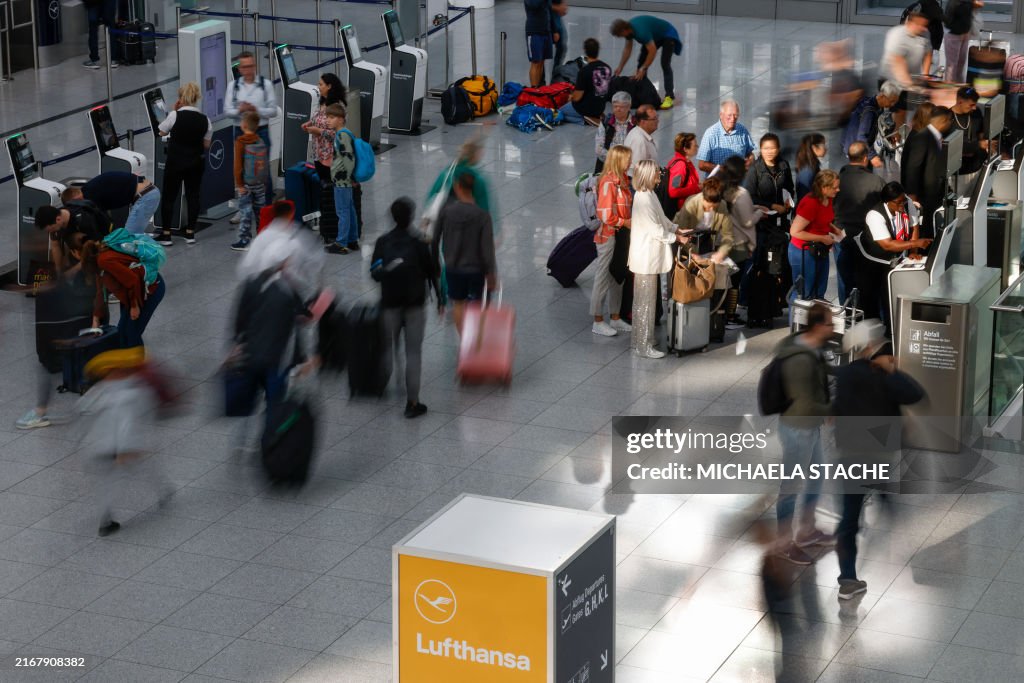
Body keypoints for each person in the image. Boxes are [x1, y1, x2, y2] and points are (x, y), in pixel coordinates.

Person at [833, 321, 924, 598]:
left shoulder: (845, 375)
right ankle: (903, 544)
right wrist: (893, 371)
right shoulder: (881, 374)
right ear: (871, 347)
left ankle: (847, 578)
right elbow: (916, 394)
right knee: (886, 496)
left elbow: (837, 409)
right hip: (876, 457)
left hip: (849, 458)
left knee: (848, 520)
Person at [79, 347, 172, 537]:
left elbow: (84, 414)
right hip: (119, 446)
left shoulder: (101, 391)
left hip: (102, 445)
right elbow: (128, 422)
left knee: (110, 481)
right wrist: (124, 449)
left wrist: (82, 443)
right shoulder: (133, 392)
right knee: (140, 469)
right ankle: (163, 490)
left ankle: (106, 520)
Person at [772, 301, 835, 565]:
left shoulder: (810, 346)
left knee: (817, 475)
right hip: (798, 428)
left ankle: (807, 530)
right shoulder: (800, 359)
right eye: (830, 323)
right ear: (819, 326)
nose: (834, 328)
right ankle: (783, 542)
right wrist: (831, 411)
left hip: (810, 427)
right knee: (791, 486)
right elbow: (804, 401)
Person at [371, 198, 442, 419]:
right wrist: (441, 299)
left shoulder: (383, 242)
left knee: (386, 347)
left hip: (389, 304)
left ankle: (381, 386)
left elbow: (374, 274)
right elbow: (434, 272)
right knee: (413, 353)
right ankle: (412, 403)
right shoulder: (420, 242)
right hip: (414, 305)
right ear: (411, 217)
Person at [856, 182, 932, 332]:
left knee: (890, 298)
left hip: (894, 260)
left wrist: (913, 251)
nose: (902, 205)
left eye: (903, 200)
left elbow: (914, 226)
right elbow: (887, 245)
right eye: (898, 202)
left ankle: (892, 333)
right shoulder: (875, 215)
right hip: (873, 262)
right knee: (871, 301)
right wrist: (914, 243)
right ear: (887, 202)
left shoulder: (906, 203)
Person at [628, 160, 684, 359]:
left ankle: (642, 339)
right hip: (645, 258)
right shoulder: (644, 198)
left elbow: (662, 219)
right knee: (645, 303)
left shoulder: (648, 194)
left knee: (646, 301)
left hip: (647, 257)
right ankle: (643, 346)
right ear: (647, 176)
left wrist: (677, 229)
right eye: (656, 174)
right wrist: (676, 237)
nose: (659, 177)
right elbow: (655, 229)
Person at [431, 173, 498, 335]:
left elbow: (434, 238)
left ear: (457, 187)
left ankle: (465, 342)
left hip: (453, 267)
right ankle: (477, 337)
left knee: (458, 303)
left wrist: (436, 263)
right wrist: (491, 273)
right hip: (477, 269)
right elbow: (487, 248)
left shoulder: (446, 211)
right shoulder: (482, 216)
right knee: (479, 303)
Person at [743, 133, 795, 325]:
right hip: (762, 225)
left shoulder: (783, 166)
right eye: (766, 148)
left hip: (779, 225)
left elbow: (790, 188)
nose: (770, 152)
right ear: (760, 149)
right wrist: (772, 206)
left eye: (773, 148)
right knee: (761, 267)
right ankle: (756, 310)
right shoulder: (756, 170)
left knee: (777, 268)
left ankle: (773, 308)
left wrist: (789, 203)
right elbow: (749, 197)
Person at [79, 239, 166, 348]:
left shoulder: (104, 261)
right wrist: (95, 319)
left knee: (131, 334)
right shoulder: (99, 263)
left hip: (149, 290)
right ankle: (128, 361)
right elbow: (100, 292)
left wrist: (134, 306)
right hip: (131, 294)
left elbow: (133, 280)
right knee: (122, 332)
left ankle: (138, 363)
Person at [156, 82, 212, 246]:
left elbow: (161, 132)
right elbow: (207, 145)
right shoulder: (205, 119)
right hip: (195, 163)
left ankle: (166, 234)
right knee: (193, 195)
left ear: (181, 98)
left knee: (169, 196)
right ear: (196, 98)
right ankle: (190, 233)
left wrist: (174, 110)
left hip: (175, 162)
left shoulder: (175, 115)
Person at [834, 142, 886, 306]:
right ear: (865, 158)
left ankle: (846, 316)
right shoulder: (876, 181)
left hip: (840, 235)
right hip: (866, 238)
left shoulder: (836, 180)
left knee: (844, 278)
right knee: (867, 279)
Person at [591, 145, 633, 337]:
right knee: (602, 277)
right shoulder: (609, 182)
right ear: (618, 160)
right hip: (609, 235)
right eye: (627, 159)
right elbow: (605, 214)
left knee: (618, 275)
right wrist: (625, 222)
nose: (630, 162)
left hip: (621, 235)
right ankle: (597, 320)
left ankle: (615, 318)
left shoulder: (623, 180)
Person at [225, 52, 278, 202]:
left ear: (255, 66)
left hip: (261, 131)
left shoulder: (265, 85)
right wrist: (240, 111)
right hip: (240, 132)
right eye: (245, 67)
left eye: (251, 66)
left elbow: (273, 110)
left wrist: (256, 110)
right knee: (240, 168)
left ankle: (267, 206)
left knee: (263, 169)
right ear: (240, 69)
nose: (248, 70)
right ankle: (244, 207)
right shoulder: (233, 87)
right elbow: (228, 111)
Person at [301, 73, 347, 246]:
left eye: (321, 84)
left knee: (332, 193)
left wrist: (317, 131)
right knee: (324, 191)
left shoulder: (337, 107)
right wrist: (308, 124)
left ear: (329, 86)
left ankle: (333, 229)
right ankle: (326, 225)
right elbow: (318, 120)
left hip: (331, 156)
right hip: (319, 154)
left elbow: (337, 133)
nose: (318, 86)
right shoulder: (322, 103)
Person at [719, 155, 763, 327]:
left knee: (725, 280)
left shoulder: (722, 190)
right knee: (735, 282)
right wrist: (760, 213)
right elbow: (747, 221)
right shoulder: (741, 193)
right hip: (739, 244)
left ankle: (723, 313)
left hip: (723, 242)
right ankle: (730, 316)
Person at [789, 170, 844, 302]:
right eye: (835, 187)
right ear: (824, 188)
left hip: (819, 250)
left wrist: (834, 229)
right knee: (803, 292)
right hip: (803, 251)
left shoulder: (828, 199)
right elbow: (794, 231)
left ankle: (814, 320)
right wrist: (822, 238)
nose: (838, 190)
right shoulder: (811, 203)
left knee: (819, 291)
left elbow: (822, 219)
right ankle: (798, 321)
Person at [901, 105, 953, 239]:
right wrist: (912, 196)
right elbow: (913, 168)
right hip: (923, 195)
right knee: (925, 228)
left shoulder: (933, 136)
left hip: (933, 194)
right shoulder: (922, 137)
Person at [609, 17, 681, 110]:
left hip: (668, 34)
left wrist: (644, 68)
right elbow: (627, 49)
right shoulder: (629, 31)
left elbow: (653, 51)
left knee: (665, 64)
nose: (622, 37)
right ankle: (643, 93)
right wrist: (620, 67)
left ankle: (669, 97)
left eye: (621, 35)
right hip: (655, 35)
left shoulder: (641, 33)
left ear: (624, 30)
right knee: (641, 62)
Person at [61, 173, 160, 235]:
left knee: (129, 237)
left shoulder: (90, 196)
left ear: (75, 197)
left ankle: (137, 266)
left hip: (146, 196)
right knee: (132, 235)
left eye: (74, 205)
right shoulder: (89, 189)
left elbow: (100, 222)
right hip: (148, 191)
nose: (76, 208)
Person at [879, 11, 932, 126]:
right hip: (892, 79)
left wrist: (925, 75)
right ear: (910, 23)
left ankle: (903, 131)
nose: (923, 28)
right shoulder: (896, 35)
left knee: (914, 110)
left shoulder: (925, 32)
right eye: (920, 25)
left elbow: (928, 53)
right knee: (900, 112)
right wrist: (912, 86)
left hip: (911, 78)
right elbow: (898, 62)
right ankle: (896, 137)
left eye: (925, 25)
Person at [34, 203, 112, 274]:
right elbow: (55, 246)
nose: (51, 232)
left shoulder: (84, 221)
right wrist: (58, 270)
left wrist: (73, 271)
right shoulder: (55, 218)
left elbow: (98, 248)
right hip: (77, 253)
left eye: (51, 229)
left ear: (58, 219)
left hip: (98, 251)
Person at [324, 103, 360, 254]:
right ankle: (352, 240)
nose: (328, 120)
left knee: (342, 211)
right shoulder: (342, 133)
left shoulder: (342, 135)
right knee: (349, 209)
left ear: (341, 119)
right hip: (344, 179)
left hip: (342, 180)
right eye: (327, 117)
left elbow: (348, 158)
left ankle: (341, 243)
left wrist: (350, 177)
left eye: (331, 117)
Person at [841, 81, 903, 170]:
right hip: (856, 151)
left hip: (850, 145)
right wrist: (872, 156)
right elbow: (861, 136)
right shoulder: (869, 112)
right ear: (882, 96)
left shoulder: (869, 102)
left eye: (894, 102)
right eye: (891, 101)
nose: (892, 105)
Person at [230, 111, 269, 251]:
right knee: (260, 211)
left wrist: (239, 184)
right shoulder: (260, 140)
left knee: (245, 212)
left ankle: (244, 240)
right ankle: (262, 239)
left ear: (244, 125)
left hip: (246, 184)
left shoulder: (240, 142)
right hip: (259, 183)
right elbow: (265, 162)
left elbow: (238, 166)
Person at [674, 176, 733, 265]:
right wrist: (694, 255)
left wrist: (722, 252)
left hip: (706, 237)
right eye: (708, 207)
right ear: (703, 198)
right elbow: (681, 233)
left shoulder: (722, 205)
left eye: (715, 207)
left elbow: (728, 234)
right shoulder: (691, 203)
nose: (711, 209)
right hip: (686, 237)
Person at [557, 38, 611, 126]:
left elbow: (578, 97)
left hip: (586, 108)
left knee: (560, 113)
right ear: (598, 50)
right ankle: (596, 116)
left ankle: (586, 120)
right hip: (600, 107)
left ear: (585, 51)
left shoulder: (584, 71)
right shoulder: (607, 68)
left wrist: (571, 97)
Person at [696, 101, 755, 174]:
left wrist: (750, 161)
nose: (733, 118)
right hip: (718, 183)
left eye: (736, 115)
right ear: (721, 115)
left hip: (739, 181)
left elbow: (750, 153)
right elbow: (702, 165)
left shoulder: (742, 130)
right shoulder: (710, 134)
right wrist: (725, 170)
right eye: (729, 115)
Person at [950, 86, 990, 191]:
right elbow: (951, 147)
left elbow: (981, 134)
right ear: (960, 101)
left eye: (975, 104)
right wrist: (977, 145)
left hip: (978, 166)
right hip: (959, 173)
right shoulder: (948, 118)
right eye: (971, 105)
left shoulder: (976, 113)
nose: (974, 108)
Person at [945, 1, 984, 84]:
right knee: (952, 65)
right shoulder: (958, 4)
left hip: (964, 35)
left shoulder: (967, 3)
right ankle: (950, 87)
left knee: (960, 63)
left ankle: (959, 86)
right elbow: (952, 17)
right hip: (954, 35)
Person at [594, 92, 634, 174]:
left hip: (630, 166)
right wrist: (616, 162)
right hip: (609, 166)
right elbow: (599, 149)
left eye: (622, 107)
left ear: (629, 107)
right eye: (615, 106)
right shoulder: (606, 122)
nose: (618, 109)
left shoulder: (635, 123)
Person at [666, 132, 701, 212]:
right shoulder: (680, 166)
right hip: (681, 210)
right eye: (695, 145)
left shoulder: (685, 162)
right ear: (685, 149)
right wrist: (697, 188)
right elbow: (673, 191)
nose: (697, 147)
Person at [524, 0, 553, 87]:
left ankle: (538, 88)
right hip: (534, 31)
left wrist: (554, 30)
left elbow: (549, 8)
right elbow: (534, 5)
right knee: (535, 62)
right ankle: (533, 91)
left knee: (541, 62)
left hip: (545, 30)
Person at [624, 105, 659, 173]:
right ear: (643, 122)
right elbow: (638, 170)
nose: (658, 121)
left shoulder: (638, 133)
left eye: (657, 117)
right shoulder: (639, 140)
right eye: (654, 119)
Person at [83, 0, 118, 69]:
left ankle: (94, 60)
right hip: (108, 3)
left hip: (93, 4)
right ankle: (113, 60)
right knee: (110, 28)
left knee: (93, 29)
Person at [795, 133, 827, 201]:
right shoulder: (807, 170)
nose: (826, 148)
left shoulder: (812, 166)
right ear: (814, 148)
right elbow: (804, 196)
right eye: (823, 145)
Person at [551, 0, 568, 72]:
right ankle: (540, 80)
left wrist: (562, 3)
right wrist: (557, 7)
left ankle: (556, 75)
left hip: (555, 14)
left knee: (562, 46)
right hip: (546, 14)